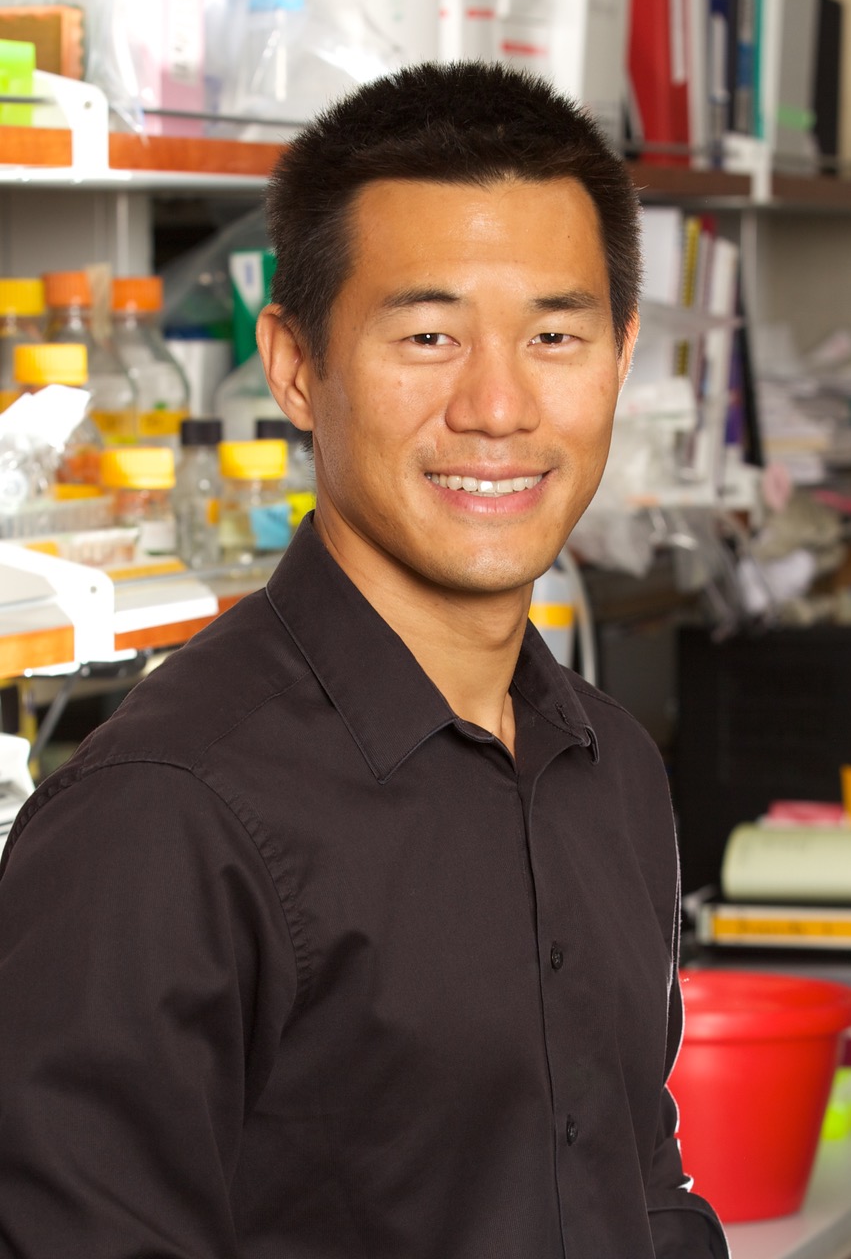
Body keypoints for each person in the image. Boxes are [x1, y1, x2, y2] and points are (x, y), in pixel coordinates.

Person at [0, 62, 728, 1258]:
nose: (497, 406)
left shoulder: (613, 768)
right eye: (429, 335)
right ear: (295, 365)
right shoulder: (159, 818)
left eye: (554, 335)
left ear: (620, 355)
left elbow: (633, 1183)